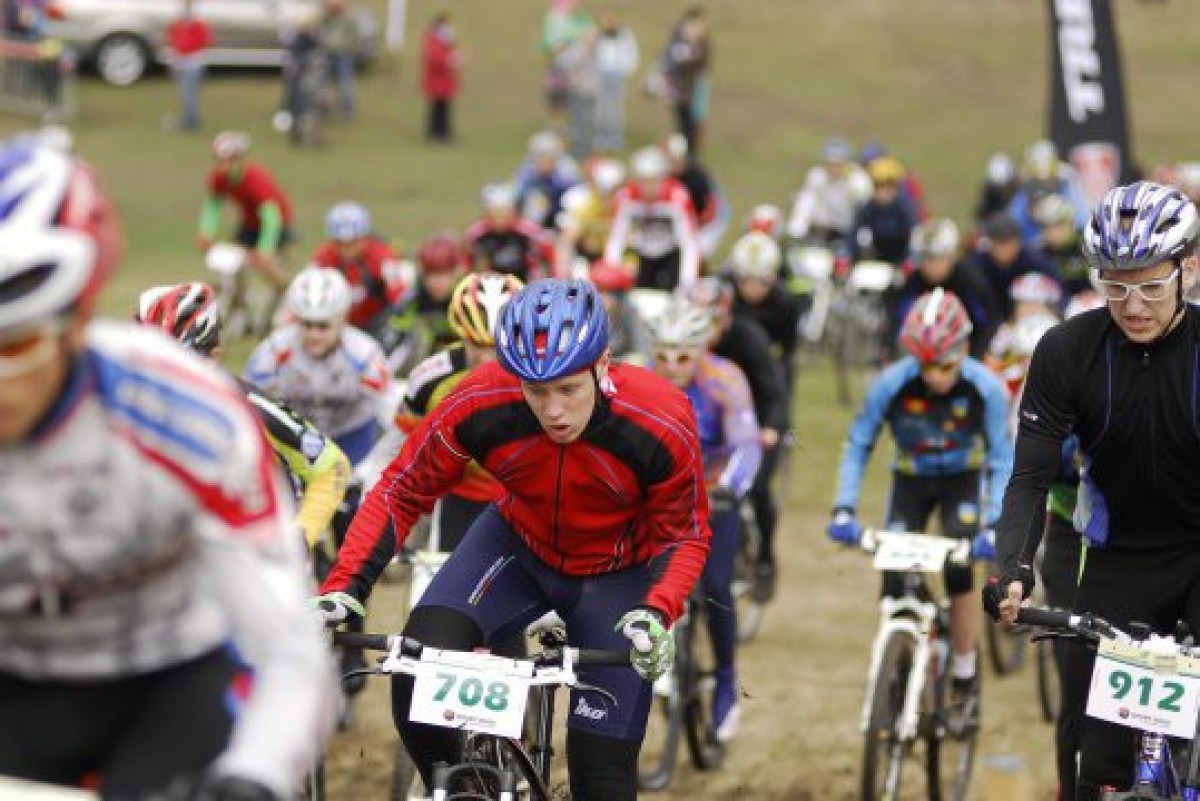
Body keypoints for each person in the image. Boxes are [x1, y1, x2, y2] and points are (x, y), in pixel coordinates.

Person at [0, 141, 334, 800]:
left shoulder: (186, 415)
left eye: (18, 344)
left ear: (77, 322)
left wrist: (253, 777)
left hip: (165, 680)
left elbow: (289, 652)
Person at [314, 278, 712, 800]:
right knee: (419, 666)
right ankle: (466, 788)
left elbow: (685, 534)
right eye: (535, 391)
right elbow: (402, 488)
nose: (553, 411)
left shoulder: (659, 416)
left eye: (568, 389)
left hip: (619, 577)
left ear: (603, 364)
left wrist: (658, 609)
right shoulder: (481, 397)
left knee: (602, 775)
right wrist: (346, 584)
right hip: (516, 550)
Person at [986, 181, 1200, 801]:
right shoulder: (1065, 351)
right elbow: (1029, 477)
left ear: (1188, 270)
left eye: (1150, 286)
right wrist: (1014, 567)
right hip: (1117, 560)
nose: (1132, 306)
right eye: (1116, 286)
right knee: (1094, 758)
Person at [830, 289, 1013, 710]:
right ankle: (896, 663)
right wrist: (844, 507)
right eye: (925, 365)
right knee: (895, 578)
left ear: (964, 349)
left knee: (959, 569)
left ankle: (964, 669)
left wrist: (993, 523)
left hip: (962, 480)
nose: (935, 377)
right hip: (910, 479)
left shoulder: (986, 388)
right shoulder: (891, 383)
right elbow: (859, 443)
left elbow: (1003, 458)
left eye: (945, 365)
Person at [134, 282, 351, 558]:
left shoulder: (248, 408)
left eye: (179, 366)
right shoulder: (131, 409)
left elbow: (332, 466)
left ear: (214, 357)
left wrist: (298, 538)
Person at [650, 298, 761, 742]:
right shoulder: (639, 376)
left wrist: (730, 487)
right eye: (662, 356)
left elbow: (746, 444)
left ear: (701, 350)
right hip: (660, 494)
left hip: (713, 493)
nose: (671, 367)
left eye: (682, 357)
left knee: (716, 586)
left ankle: (726, 681)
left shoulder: (725, 379)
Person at [395, 273, 523, 550]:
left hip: (526, 496)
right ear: (461, 334)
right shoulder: (428, 379)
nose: (487, 358)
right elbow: (402, 448)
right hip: (460, 497)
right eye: (477, 344)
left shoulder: (545, 375)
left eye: (497, 346)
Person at [692, 277, 788, 593]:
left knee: (756, 487)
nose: (704, 330)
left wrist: (770, 428)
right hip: (708, 429)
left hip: (752, 426)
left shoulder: (749, 339)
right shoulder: (686, 350)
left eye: (712, 321)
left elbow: (774, 392)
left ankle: (765, 558)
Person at [245, 266, 392, 467]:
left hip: (352, 439)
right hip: (293, 440)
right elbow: (249, 405)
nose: (314, 335)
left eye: (323, 326)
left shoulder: (366, 356)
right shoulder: (272, 353)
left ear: (342, 320)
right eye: (307, 324)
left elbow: (387, 413)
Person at [197, 131, 293, 300]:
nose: (224, 165)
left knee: (266, 265)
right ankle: (239, 300)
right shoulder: (218, 177)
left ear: (240, 159)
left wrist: (265, 248)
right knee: (233, 263)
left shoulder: (255, 180)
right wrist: (206, 232)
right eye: (219, 160)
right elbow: (213, 206)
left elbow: (271, 217)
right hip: (250, 223)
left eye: (230, 160)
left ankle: (287, 294)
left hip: (277, 223)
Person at [893, 217, 1003, 359]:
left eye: (938, 258)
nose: (931, 266)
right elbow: (899, 323)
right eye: (925, 258)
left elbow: (991, 322)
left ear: (951, 256)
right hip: (920, 359)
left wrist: (973, 358)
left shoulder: (970, 280)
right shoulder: (913, 281)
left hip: (967, 354)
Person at [604, 145, 701, 291]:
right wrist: (611, 272)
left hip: (671, 253)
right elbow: (617, 237)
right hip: (641, 252)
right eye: (643, 180)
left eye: (654, 180)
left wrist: (688, 281)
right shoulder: (625, 197)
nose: (648, 186)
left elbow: (689, 242)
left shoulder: (677, 197)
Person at [311, 200, 409, 341]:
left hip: (377, 326)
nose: (346, 249)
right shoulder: (324, 257)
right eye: (340, 243)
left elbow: (399, 293)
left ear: (365, 237)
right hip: (336, 326)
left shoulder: (380, 256)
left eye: (353, 242)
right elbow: (306, 286)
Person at [385, 230, 465, 374]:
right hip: (431, 363)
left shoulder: (467, 298)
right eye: (431, 274)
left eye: (443, 273)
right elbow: (395, 339)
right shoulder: (413, 299)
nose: (436, 282)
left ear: (455, 272)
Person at [786, 136, 874, 249]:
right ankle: (796, 237)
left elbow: (866, 211)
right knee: (805, 197)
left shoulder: (858, 179)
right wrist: (797, 230)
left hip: (851, 230)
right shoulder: (816, 176)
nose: (835, 169)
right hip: (824, 229)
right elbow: (805, 206)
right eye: (831, 164)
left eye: (839, 164)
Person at [971, 211, 1063, 319]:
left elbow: (1059, 290)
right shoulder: (978, 264)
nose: (1004, 250)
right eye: (999, 244)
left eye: (1009, 243)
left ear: (1018, 242)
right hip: (995, 318)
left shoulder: (1034, 260)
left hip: (1033, 317)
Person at [465, 183, 558, 281]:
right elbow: (467, 264)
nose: (500, 218)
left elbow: (549, 255)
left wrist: (552, 279)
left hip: (526, 282)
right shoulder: (476, 235)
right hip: (491, 283)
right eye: (496, 212)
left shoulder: (529, 231)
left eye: (504, 211)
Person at [665, 132, 729, 260]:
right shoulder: (666, 177)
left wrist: (694, 229)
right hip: (684, 223)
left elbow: (710, 211)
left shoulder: (698, 178)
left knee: (695, 254)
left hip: (707, 224)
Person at [557, 156, 625, 269]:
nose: (607, 198)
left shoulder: (626, 208)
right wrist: (563, 272)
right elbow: (568, 239)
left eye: (613, 191)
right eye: (604, 191)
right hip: (591, 260)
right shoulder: (588, 207)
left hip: (617, 260)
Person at [851, 155, 919, 267]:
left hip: (901, 260)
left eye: (889, 186)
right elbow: (853, 233)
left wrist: (911, 260)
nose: (883, 192)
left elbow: (915, 235)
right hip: (877, 259)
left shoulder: (905, 208)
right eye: (879, 186)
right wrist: (846, 254)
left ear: (896, 188)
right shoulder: (868, 207)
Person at [661, 6, 710, 154]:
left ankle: (692, 152)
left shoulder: (702, 43)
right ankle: (681, 150)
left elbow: (701, 63)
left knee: (694, 120)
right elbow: (670, 60)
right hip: (679, 87)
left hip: (694, 87)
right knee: (681, 118)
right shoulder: (678, 41)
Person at [539, 0, 594, 130]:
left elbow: (589, 38)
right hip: (558, 68)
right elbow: (549, 44)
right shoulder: (554, 18)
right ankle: (555, 128)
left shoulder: (583, 18)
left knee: (574, 99)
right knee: (556, 98)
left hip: (577, 69)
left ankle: (571, 128)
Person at [514, 130, 582, 232]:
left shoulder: (567, 171)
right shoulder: (527, 173)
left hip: (562, 213)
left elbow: (576, 197)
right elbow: (517, 196)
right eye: (540, 157)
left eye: (548, 157)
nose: (544, 162)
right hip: (538, 215)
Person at [593, 9, 639, 153]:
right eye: (606, 19)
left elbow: (632, 54)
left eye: (612, 19)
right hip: (600, 75)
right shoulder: (598, 35)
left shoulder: (625, 35)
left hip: (617, 75)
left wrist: (625, 70)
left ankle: (616, 137)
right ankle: (601, 136)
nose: (609, 22)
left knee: (616, 108)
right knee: (601, 107)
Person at [166, 0, 213, 132]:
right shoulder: (176, 24)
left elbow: (204, 41)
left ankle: (191, 122)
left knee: (189, 94)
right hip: (180, 64)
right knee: (184, 94)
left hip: (193, 64)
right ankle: (188, 119)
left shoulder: (198, 25)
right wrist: (172, 61)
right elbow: (173, 43)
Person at [421, 11, 463, 143]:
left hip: (444, 82)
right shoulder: (433, 40)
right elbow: (435, 58)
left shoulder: (445, 40)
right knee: (437, 109)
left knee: (444, 109)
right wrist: (450, 60)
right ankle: (436, 133)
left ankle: (444, 132)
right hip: (437, 82)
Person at [319, 0, 360, 121]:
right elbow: (321, 34)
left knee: (345, 84)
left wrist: (348, 50)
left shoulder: (348, 21)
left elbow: (355, 40)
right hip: (326, 55)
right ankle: (323, 108)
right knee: (323, 83)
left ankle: (347, 111)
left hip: (343, 55)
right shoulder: (326, 20)